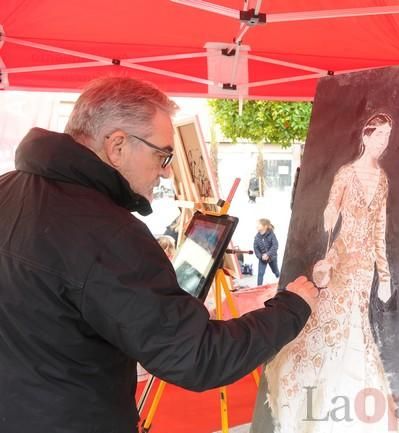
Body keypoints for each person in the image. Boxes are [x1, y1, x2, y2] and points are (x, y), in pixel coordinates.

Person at [0, 76, 319, 433]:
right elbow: (197, 357)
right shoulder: (109, 233)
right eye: (162, 154)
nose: (166, 171)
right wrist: (291, 308)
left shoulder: (8, 188)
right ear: (117, 145)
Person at [264, 113, 399, 433]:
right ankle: (312, 401)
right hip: (341, 257)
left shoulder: (382, 180)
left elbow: (379, 229)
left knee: (358, 328)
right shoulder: (346, 173)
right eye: (379, 136)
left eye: (387, 138)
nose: (383, 143)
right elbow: (331, 212)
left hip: (365, 266)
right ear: (366, 137)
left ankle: (345, 408)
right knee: (328, 325)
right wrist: (327, 215)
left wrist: (386, 274)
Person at [254, 218, 280, 286]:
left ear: (265, 226)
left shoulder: (271, 235)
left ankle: (281, 281)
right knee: (260, 273)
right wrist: (260, 256)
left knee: (275, 271)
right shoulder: (257, 237)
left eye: (259, 225)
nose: (257, 226)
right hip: (262, 258)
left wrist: (268, 254)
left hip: (272, 257)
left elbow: (275, 245)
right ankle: (258, 287)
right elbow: (255, 248)